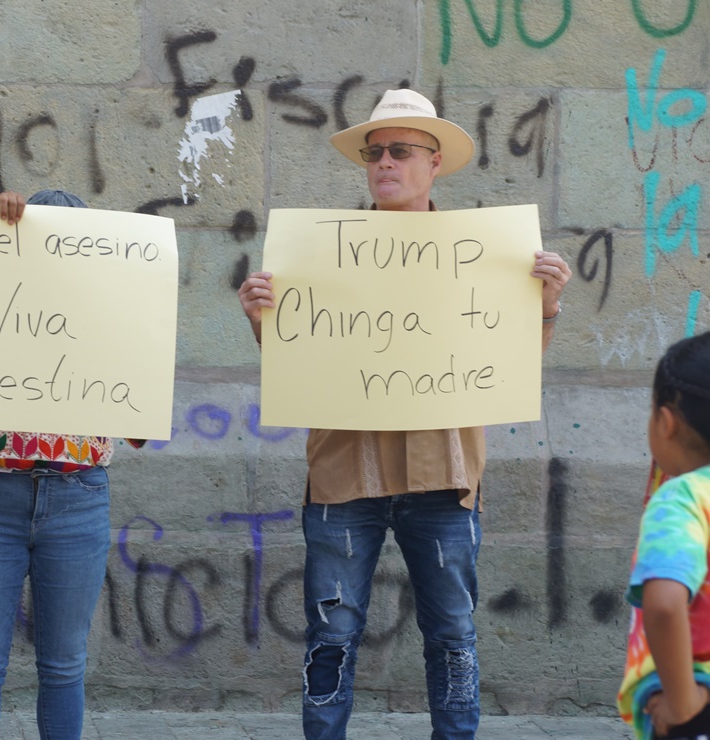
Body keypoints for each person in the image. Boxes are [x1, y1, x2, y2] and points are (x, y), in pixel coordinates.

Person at [236, 88, 571, 740]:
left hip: (442, 479)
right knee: (330, 637)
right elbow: (301, 366)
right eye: (374, 152)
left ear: (433, 161)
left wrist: (547, 306)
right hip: (341, 478)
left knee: (450, 635)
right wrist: (262, 320)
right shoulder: (319, 257)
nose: (383, 162)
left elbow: (506, 364)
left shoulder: (482, 256)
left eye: (399, 150)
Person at [0, 189, 145, 740]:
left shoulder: (111, 313)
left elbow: (137, 427)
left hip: (76, 497)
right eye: (44, 242)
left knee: (63, 666)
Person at [619, 333, 710, 740]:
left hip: (694, 699)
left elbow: (663, 604)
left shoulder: (682, 498)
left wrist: (682, 704)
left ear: (666, 422)